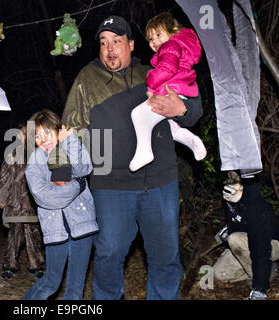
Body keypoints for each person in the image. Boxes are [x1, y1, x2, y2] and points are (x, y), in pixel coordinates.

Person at [60, 15, 203, 299]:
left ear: (131, 45)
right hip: (111, 184)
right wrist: (61, 174)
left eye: (116, 41)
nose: (109, 48)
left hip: (160, 182)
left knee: (165, 257)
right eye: (103, 43)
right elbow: (70, 130)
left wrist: (182, 109)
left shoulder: (153, 72)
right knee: (109, 254)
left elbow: (194, 109)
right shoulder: (87, 79)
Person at [22, 109, 98, 300]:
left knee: (75, 288)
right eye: (37, 136)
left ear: (59, 129)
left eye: (47, 132)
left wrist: (70, 142)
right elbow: (44, 197)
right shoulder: (35, 160)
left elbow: (84, 168)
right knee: (51, 282)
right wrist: (76, 185)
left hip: (83, 226)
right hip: (54, 230)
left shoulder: (70, 146)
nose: (44, 139)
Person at [129, 12, 206, 171]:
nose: (154, 40)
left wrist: (150, 82)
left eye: (158, 34)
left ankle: (145, 152)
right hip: (177, 89)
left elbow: (166, 70)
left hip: (173, 92)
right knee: (169, 126)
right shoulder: (179, 48)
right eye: (150, 38)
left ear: (173, 32)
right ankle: (191, 141)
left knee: (138, 114)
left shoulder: (170, 47)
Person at [0, 124, 46, 280]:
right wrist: (0, 198)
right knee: (15, 235)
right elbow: (4, 179)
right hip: (15, 204)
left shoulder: (39, 154)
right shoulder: (12, 155)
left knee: (33, 235)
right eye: (21, 133)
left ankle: (36, 266)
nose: (24, 136)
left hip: (33, 204)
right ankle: (10, 265)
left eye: (27, 133)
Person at [213, 171, 279, 300]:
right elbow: (238, 223)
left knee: (235, 240)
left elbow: (260, 247)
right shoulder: (231, 200)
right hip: (249, 241)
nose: (229, 183)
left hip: (271, 244)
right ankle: (263, 270)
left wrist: (260, 289)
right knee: (219, 273)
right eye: (229, 178)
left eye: (235, 180)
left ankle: (264, 275)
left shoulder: (257, 208)